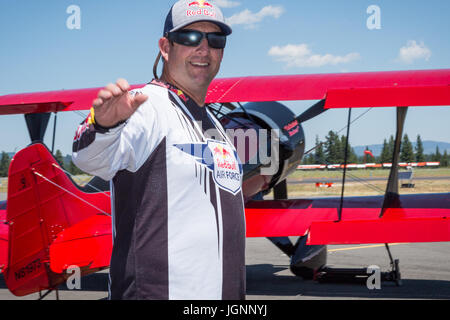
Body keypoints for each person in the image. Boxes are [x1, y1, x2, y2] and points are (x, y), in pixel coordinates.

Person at [72, 0, 246, 300]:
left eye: (215, 40)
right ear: (165, 47)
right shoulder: (147, 105)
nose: (204, 49)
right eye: (190, 37)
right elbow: (90, 158)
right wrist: (102, 126)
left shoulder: (214, 123)